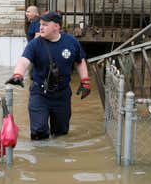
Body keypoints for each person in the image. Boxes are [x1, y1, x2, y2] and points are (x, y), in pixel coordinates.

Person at [5, 11, 91, 140]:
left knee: (61, 133)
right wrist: (18, 74)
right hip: (40, 93)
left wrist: (85, 81)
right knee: (39, 132)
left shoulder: (71, 42)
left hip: (62, 94)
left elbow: (80, 61)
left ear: (56, 26)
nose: (40, 28)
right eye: (40, 24)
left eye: (45, 24)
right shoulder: (35, 44)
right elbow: (24, 60)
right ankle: (40, 156)